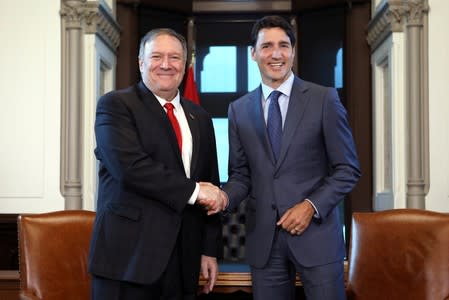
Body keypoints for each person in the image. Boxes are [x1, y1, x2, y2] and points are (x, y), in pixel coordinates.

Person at [219, 15, 361, 300]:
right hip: (264, 242)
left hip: (318, 240)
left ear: (293, 52)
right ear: (253, 53)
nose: (276, 54)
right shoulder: (239, 110)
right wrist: (222, 197)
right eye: (267, 46)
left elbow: (348, 169)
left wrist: (310, 205)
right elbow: (241, 175)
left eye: (283, 45)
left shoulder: (324, 99)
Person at [88, 28, 224, 300]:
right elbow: (131, 169)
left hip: (183, 258)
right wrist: (196, 192)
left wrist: (209, 249)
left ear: (184, 67)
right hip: (128, 260)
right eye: (156, 56)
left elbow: (212, 181)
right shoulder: (115, 105)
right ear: (141, 62)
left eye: (174, 57)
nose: (165, 64)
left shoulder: (200, 116)